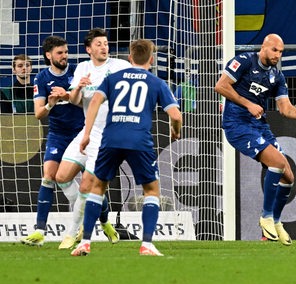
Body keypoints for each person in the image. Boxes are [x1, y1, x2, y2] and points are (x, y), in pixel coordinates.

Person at [71, 39, 182, 256]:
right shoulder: (157, 83)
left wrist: (86, 135)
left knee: (97, 188)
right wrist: (175, 131)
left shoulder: (112, 78)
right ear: (151, 59)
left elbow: (94, 102)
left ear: (130, 58)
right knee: (151, 190)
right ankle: (147, 244)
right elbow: (176, 115)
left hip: (111, 138)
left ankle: (84, 242)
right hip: (138, 141)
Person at [214, 33, 296, 246]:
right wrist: (247, 104)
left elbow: (285, 109)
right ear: (264, 47)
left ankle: (275, 222)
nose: (278, 55)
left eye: (281, 52)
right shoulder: (244, 61)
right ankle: (265, 216)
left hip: (259, 126)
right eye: (274, 50)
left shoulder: (277, 76)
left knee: (288, 177)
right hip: (237, 125)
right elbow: (220, 86)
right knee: (277, 162)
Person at [54, 28, 132, 249]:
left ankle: (72, 234)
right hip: (88, 132)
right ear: (89, 49)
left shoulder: (119, 66)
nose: (104, 47)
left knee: (87, 185)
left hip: (108, 135)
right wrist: (78, 87)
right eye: (98, 44)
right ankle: (102, 218)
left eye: (106, 43)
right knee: (61, 176)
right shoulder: (82, 68)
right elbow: (74, 100)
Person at [20, 36, 85, 246]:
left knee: (91, 179)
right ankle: (39, 231)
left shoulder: (78, 72)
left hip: (81, 132)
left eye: (66, 52)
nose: (64, 56)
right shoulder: (41, 78)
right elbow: (38, 114)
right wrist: (51, 103)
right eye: (60, 52)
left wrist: (66, 95)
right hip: (58, 133)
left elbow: (88, 101)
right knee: (49, 175)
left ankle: (102, 223)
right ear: (49, 55)